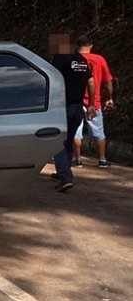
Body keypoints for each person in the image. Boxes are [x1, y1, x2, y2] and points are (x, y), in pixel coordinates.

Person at [49, 33, 96, 192]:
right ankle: (64, 171)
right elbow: (91, 82)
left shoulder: (60, 58)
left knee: (58, 141)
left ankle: (65, 177)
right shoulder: (82, 61)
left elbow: (51, 79)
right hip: (78, 107)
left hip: (62, 106)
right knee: (68, 141)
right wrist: (90, 104)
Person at [72, 35, 114, 168]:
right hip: (94, 103)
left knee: (75, 131)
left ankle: (77, 159)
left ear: (76, 46)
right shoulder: (99, 59)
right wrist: (109, 97)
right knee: (98, 132)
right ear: (90, 45)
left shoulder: (72, 60)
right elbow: (108, 81)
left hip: (75, 102)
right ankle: (102, 159)